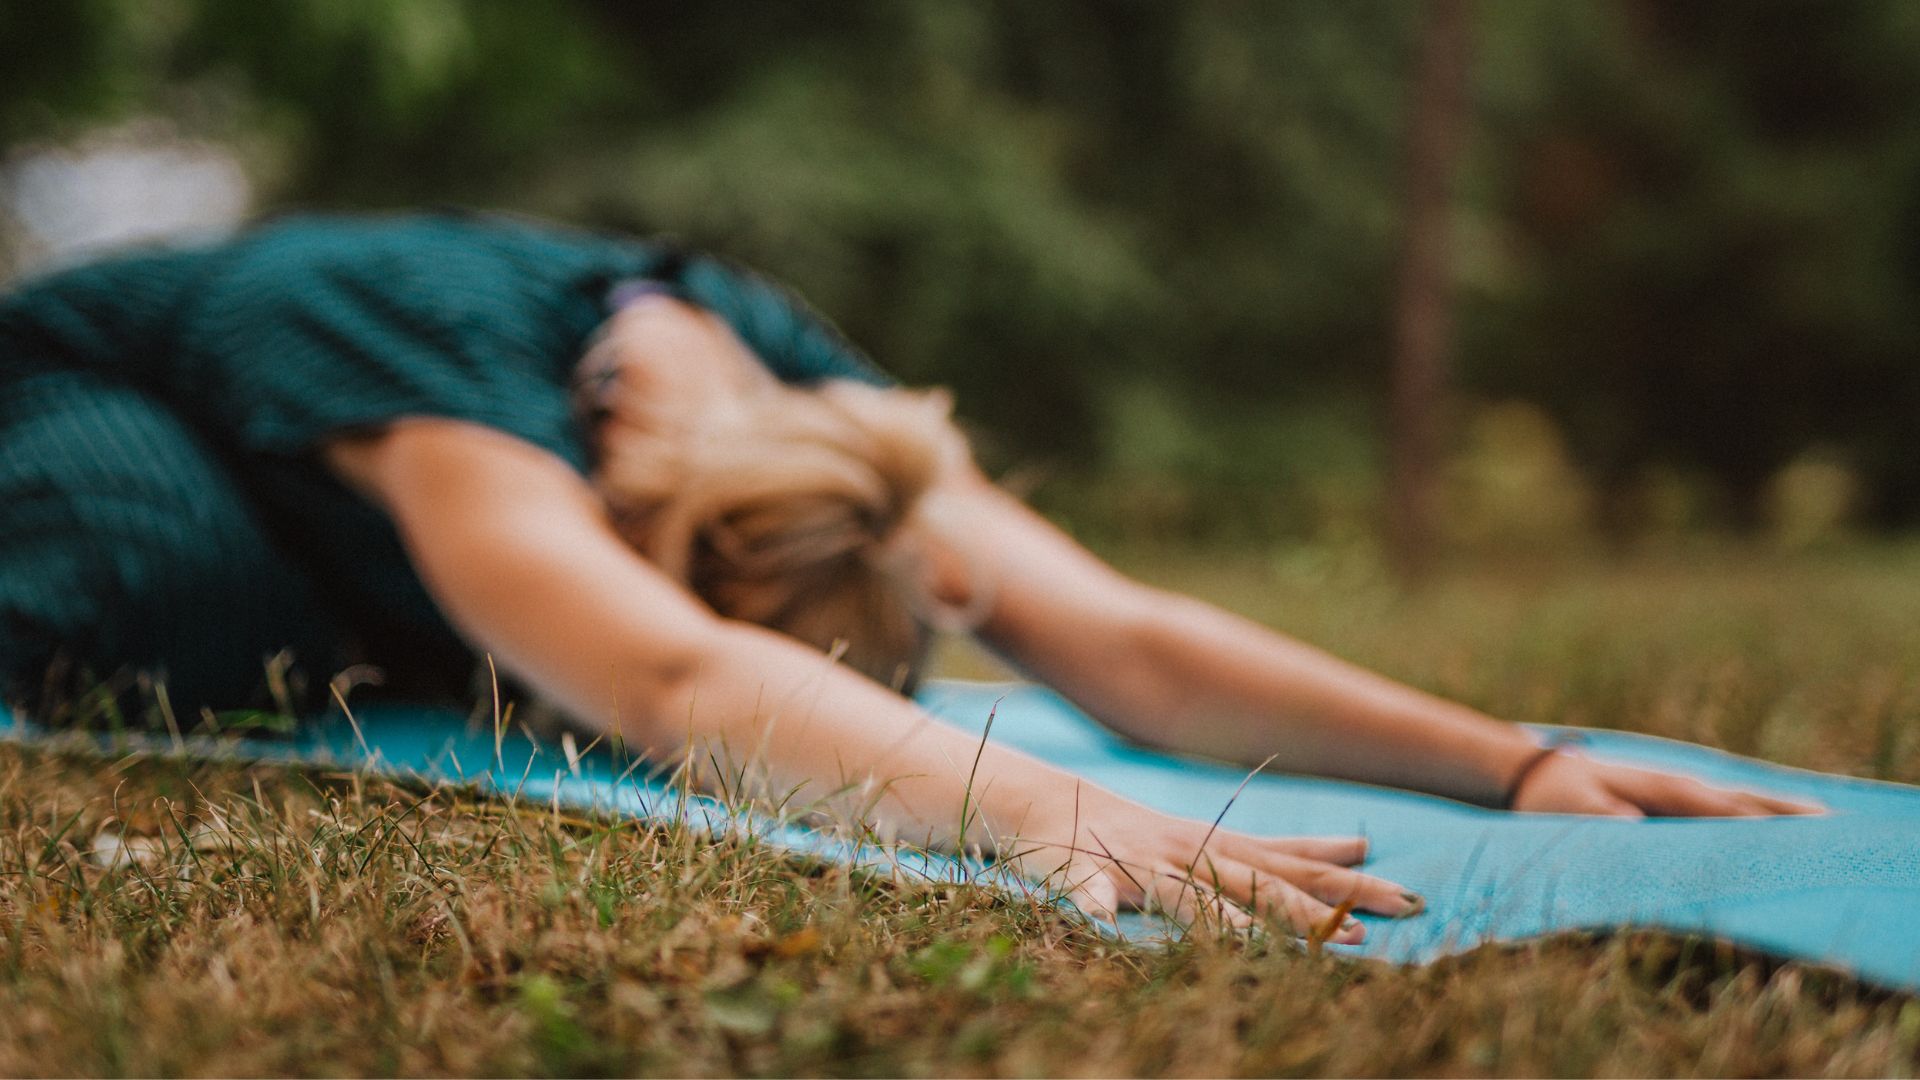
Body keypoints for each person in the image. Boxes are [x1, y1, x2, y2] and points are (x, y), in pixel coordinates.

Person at [0, 211, 1816, 944]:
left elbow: (1125, 639)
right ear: (651, 540)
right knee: (181, 600)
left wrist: (1504, 761)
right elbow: (673, 685)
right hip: (71, 412)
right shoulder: (444, 378)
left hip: (448, 502)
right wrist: (1032, 809)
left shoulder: (814, 418)